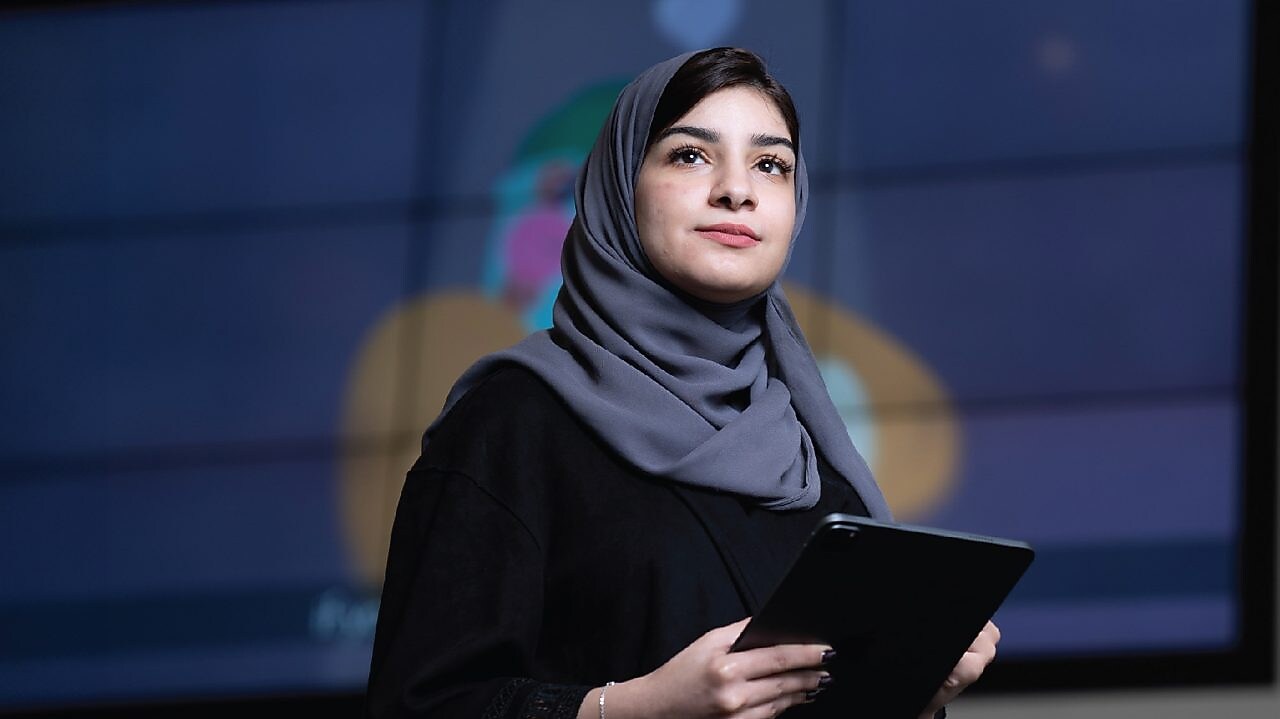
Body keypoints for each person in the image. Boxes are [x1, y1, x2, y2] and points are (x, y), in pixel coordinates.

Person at [364, 47, 1000, 719]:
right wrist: (637, 709)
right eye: (690, 155)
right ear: (618, 186)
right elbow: (421, 705)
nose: (737, 189)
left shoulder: (811, 444)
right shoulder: (510, 424)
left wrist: (906, 688)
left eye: (771, 165)